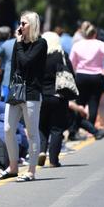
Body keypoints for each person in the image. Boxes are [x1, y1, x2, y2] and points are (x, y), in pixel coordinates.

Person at [0, 11, 47, 183]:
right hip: (16, 91)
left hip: (32, 93)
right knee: (8, 129)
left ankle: (31, 171)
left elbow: (26, 62)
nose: (20, 27)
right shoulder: (18, 44)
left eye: (24, 23)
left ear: (32, 25)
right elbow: (15, 67)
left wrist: (18, 44)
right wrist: (10, 89)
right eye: (20, 23)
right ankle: (13, 167)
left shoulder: (40, 43)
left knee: (32, 133)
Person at [69, 24, 104, 133]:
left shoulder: (77, 45)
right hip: (96, 76)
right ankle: (91, 129)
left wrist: (75, 70)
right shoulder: (100, 44)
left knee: (80, 103)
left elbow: (71, 61)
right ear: (95, 34)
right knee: (93, 103)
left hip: (81, 75)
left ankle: (74, 129)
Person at [38, 32, 72, 168]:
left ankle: (41, 151)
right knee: (57, 128)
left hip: (41, 96)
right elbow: (71, 73)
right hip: (59, 96)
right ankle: (53, 160)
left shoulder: (38, 56)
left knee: (42, 127)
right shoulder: (61, 55)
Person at [0, 31, 17, 101]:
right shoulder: (30, 44)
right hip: (23, 83)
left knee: (6, 106)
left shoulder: (7, 43)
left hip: (7, 79)